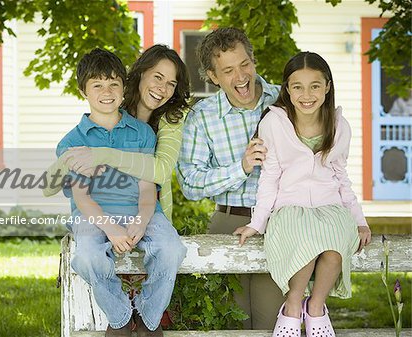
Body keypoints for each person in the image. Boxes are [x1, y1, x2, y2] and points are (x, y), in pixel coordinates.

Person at [233, 51, 372, 337]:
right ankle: (293, 305)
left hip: (330, 205)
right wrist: (257, 223)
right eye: (297, 86)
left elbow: (342, 178)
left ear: (327, 87)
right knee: (305, 238)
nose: (306, 94)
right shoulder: (274, 123)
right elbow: (269, 178)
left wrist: (360, 220)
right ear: (287, 89)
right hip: (290, 207)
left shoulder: (339, 125)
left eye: (315, 86)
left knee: (335, 249)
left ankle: (317, 307)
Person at [57, 48, 186, 337]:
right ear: (83, 90)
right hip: (93, 216)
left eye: (114, 83)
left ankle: (149, 318)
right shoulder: (72, 142)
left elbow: (146, 187)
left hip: (141, 209)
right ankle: (120, 317)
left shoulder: (141, 133)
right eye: (97, 85)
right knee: (88, 255)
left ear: (124, 87)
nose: (107, 91)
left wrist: (141, 220)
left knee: (171, 248)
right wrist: (112, 229)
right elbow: (82, 199)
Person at [176, 27, 285, 329]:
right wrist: (241, 168)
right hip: (227, 223)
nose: (241, 77)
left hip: (279, 224)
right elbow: (190, 183)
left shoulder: (285, 99)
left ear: (253, 60)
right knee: (231, 325)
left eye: (245, 64)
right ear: (213, 76)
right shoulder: (203, 116)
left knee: (272, 323)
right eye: (228, 70)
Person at [44, 44, 191, 222]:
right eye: (157, 78)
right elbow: (48, 187)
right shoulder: (111, 108)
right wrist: (71, 159)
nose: (162, 88)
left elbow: (161, 171)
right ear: (141, 73)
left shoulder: (171, 121)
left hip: (149, 219)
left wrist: (101, 155)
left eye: (171, 84)